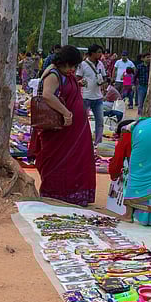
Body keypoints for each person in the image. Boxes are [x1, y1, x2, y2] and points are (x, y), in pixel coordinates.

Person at [33, 45, 96, 206]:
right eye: (72, 65)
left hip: (74, 130)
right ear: (64, 62)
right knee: (58, 161)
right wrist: (66, 113)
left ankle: (75, 193)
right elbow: (47, 95)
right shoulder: (53, 73)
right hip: (60, 130)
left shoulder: (64, 73)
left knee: (77, 160)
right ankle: (57, 193)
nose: (73, 69)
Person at [76, 44, 107, 146]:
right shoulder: (82, 65)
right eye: (98, 52)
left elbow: (104, 77)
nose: (100, 54)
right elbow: (77, 79)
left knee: (100, 121)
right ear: (92, 53)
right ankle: (83, 141)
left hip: (98, 97)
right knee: (83, 121)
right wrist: (81, 83)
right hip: (86, 97)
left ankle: (98, 142)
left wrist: (103, 83)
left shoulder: (100, 64)